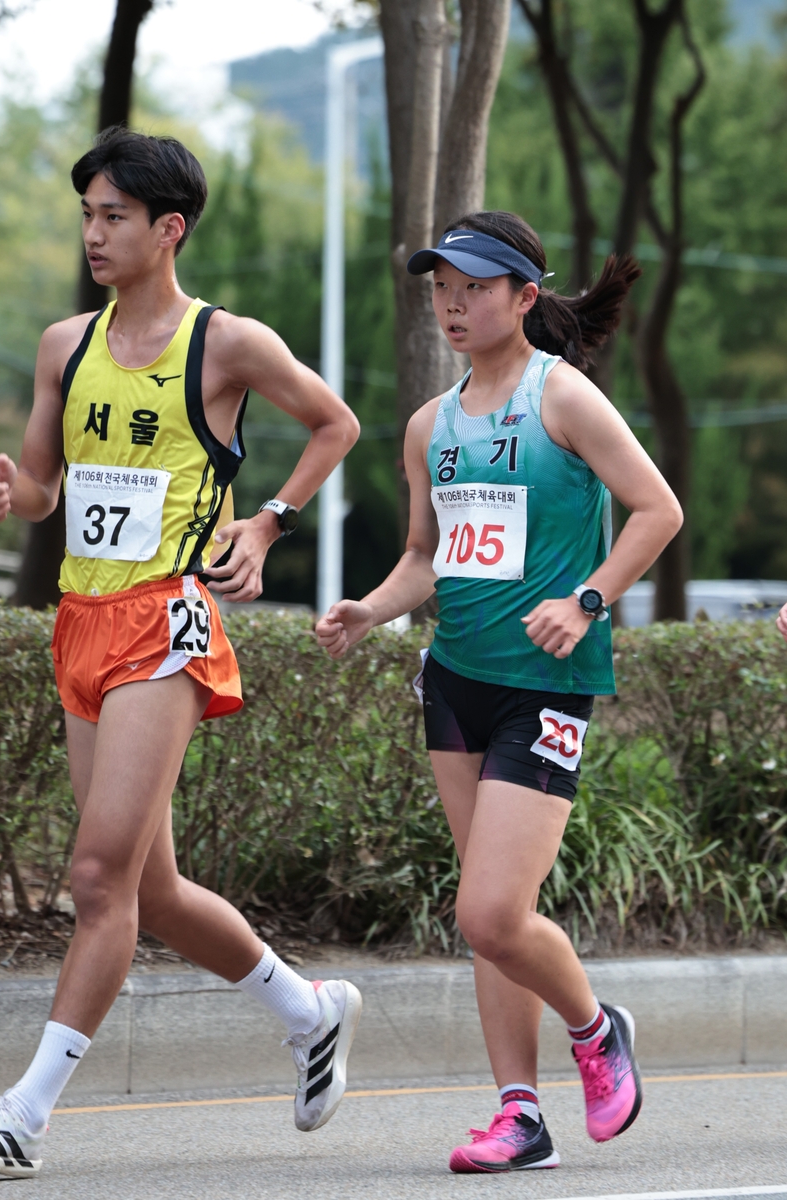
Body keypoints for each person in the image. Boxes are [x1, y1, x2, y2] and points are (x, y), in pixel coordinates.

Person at [0, 127, 362, 1180]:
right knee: (147, 893)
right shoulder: (65, 344)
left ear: (168, 229)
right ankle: (308, 1009)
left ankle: (23, 1113)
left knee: (96, 875)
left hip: (168, 621)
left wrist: (270, 521)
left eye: (113, 217)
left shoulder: (227, 343)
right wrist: (16, 496)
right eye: (87, 216)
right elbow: (51, 493)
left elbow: (334, 424)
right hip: (81, 623)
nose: (94, 234)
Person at [316, 211, 683, 1173]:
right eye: (441, 287)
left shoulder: (564, 399)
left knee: (488, 912)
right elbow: (426, 557)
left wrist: (589, 600)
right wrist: (369, 609)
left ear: (524, 297)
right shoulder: (430, 426)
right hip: (455, 682)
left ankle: (598, 1031)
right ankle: (520, 1115)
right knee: (490, 921)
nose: (451, 303)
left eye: (473, 287)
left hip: (544, 688)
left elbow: (658, 509)